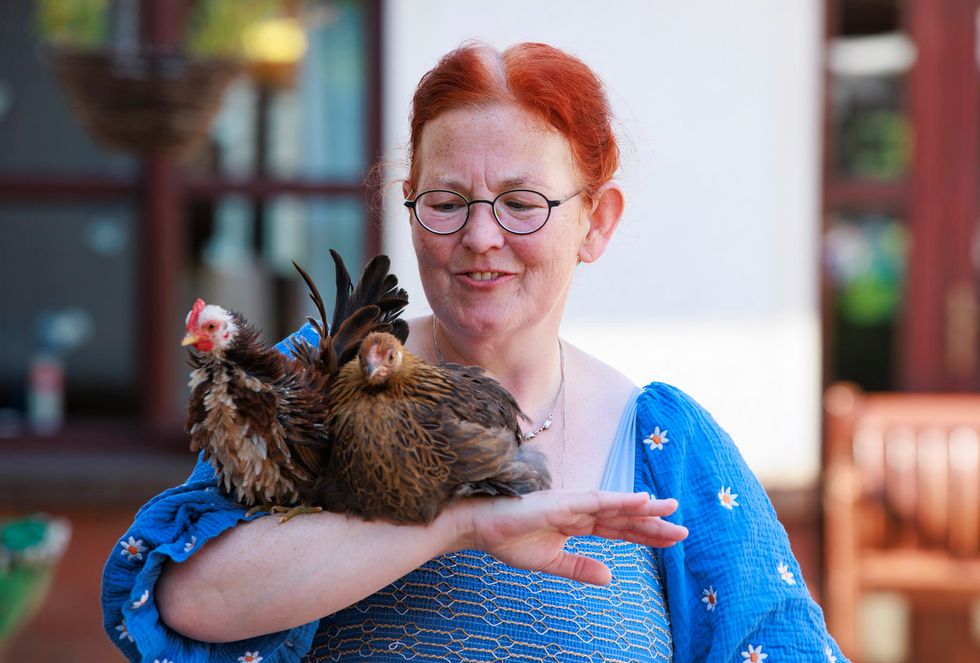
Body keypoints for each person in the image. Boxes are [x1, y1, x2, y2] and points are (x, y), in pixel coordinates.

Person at [102, 41, 847, 662]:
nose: (481, 237)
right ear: (410, 205)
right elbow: (187, 598)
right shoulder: (315, 381)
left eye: (523, 203)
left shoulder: (663, 446)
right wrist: (453, 522)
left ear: (597, 221)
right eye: (448, 201)